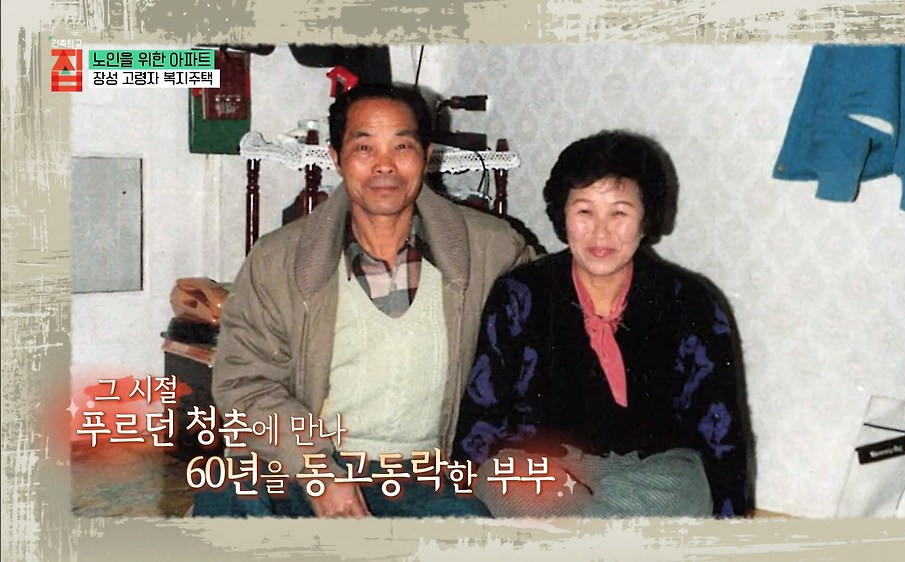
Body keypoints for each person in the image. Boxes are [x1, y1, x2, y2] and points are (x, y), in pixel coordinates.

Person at [193, 83, 535, 518]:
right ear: (336, 158)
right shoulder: (278, 259)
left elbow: (548, 323)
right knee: (227, 498)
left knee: (472, 532)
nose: (384, 165)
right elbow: (244, 383)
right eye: (364, 147)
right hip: (303, 466)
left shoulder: (491, 249)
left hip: (427, 477)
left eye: (402, 146)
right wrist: (318, 471)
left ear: (427, 156)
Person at [451, 131, 750, 518]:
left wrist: (729, 521)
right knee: (508, 479)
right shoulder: (521, 294)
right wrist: (460, 493)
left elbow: (719, 425)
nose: (601, 232)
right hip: (544, 462)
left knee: (681, 493)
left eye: (619, 212)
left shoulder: (690, 301)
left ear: (646, 218)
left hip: (654, 470)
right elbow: (484, 406)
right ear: (563, 215)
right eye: (585, 211)